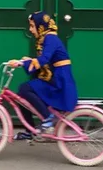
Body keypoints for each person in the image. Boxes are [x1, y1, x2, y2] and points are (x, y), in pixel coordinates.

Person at [9, 11, 78, 141]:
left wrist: (21, 63)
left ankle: (47, 119)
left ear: (40, 26)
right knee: (22, 94)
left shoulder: (50, 38)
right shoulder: (47, 37)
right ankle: (30, 131)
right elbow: (45, 58)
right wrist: (27, 61)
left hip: (59, 80)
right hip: (55, 76)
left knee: (24, 89)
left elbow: (44, 59)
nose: (30, 29)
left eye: (32, 26)